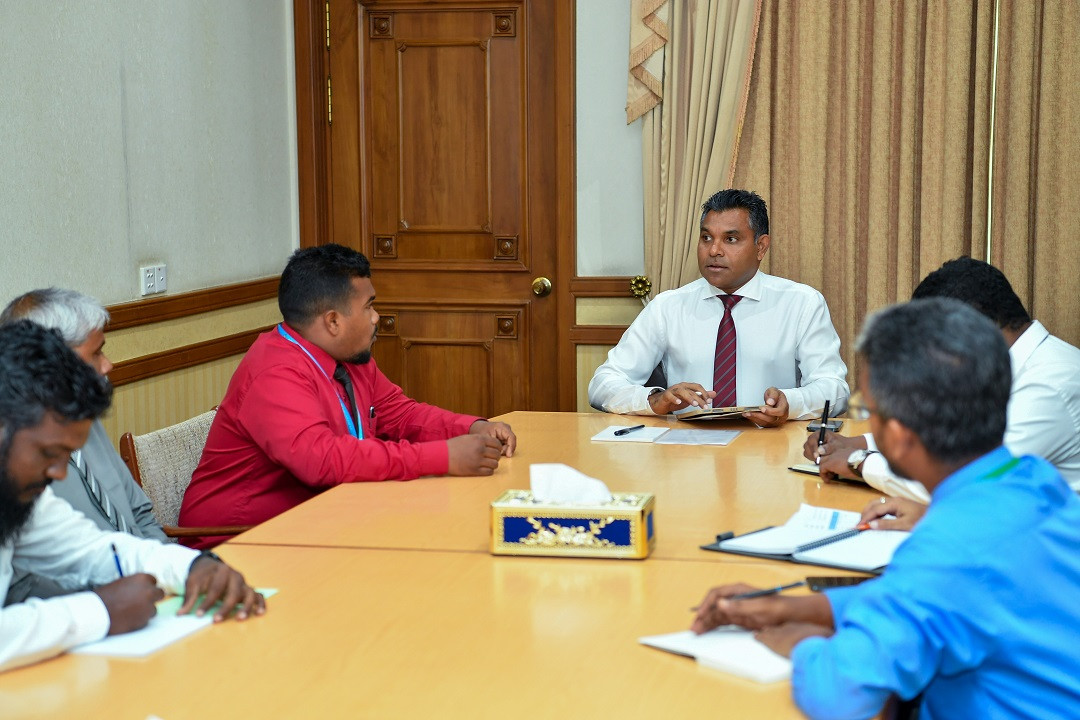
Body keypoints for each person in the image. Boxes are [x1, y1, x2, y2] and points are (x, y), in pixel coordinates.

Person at [691, 298, 1080, 719]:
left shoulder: (948, 548)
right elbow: (924, 598)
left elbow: (843, 697)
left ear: (895, 436)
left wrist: (803, 643)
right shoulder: (1032, 481)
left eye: (867, 411)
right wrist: (799, 608)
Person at [179, 244, 517, 547]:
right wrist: (445, 457)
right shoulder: (275, 371)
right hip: (240, 542)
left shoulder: (348, 356)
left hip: (324, 521)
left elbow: (400, 414)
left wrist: (470, 427)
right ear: (332, 321)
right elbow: (322, 460)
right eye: (369, 306)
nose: (376, 317)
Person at [0, 320, 265, 673]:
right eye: (49, 454)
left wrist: (191, 567)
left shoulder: (18, 491)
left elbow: (92, 550)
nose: (59, 474)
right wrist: (101, 611)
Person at [806, 257, 1080, 528]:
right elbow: (960, 442)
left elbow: (965, 480)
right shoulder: (1003, 366)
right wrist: (862, 443)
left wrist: (859, 462)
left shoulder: (1051, 383)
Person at [588, 189, 848, 427]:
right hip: (688, 453)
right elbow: (602, 385)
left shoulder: (801, 303)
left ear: (761, 246)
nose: (714, 250)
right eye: (706, 238)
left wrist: (791, 403)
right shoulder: (668, 306)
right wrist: (654, 400)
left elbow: (834, 389)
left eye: (731, 239)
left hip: (769, 450)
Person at [0, 288, 169, 604]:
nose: (107, 366)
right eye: (95, 353)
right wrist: (102, 608)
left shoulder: (80, 424)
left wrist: (182, 568)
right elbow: (20, 597)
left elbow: (122, 527)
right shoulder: (18, 479)